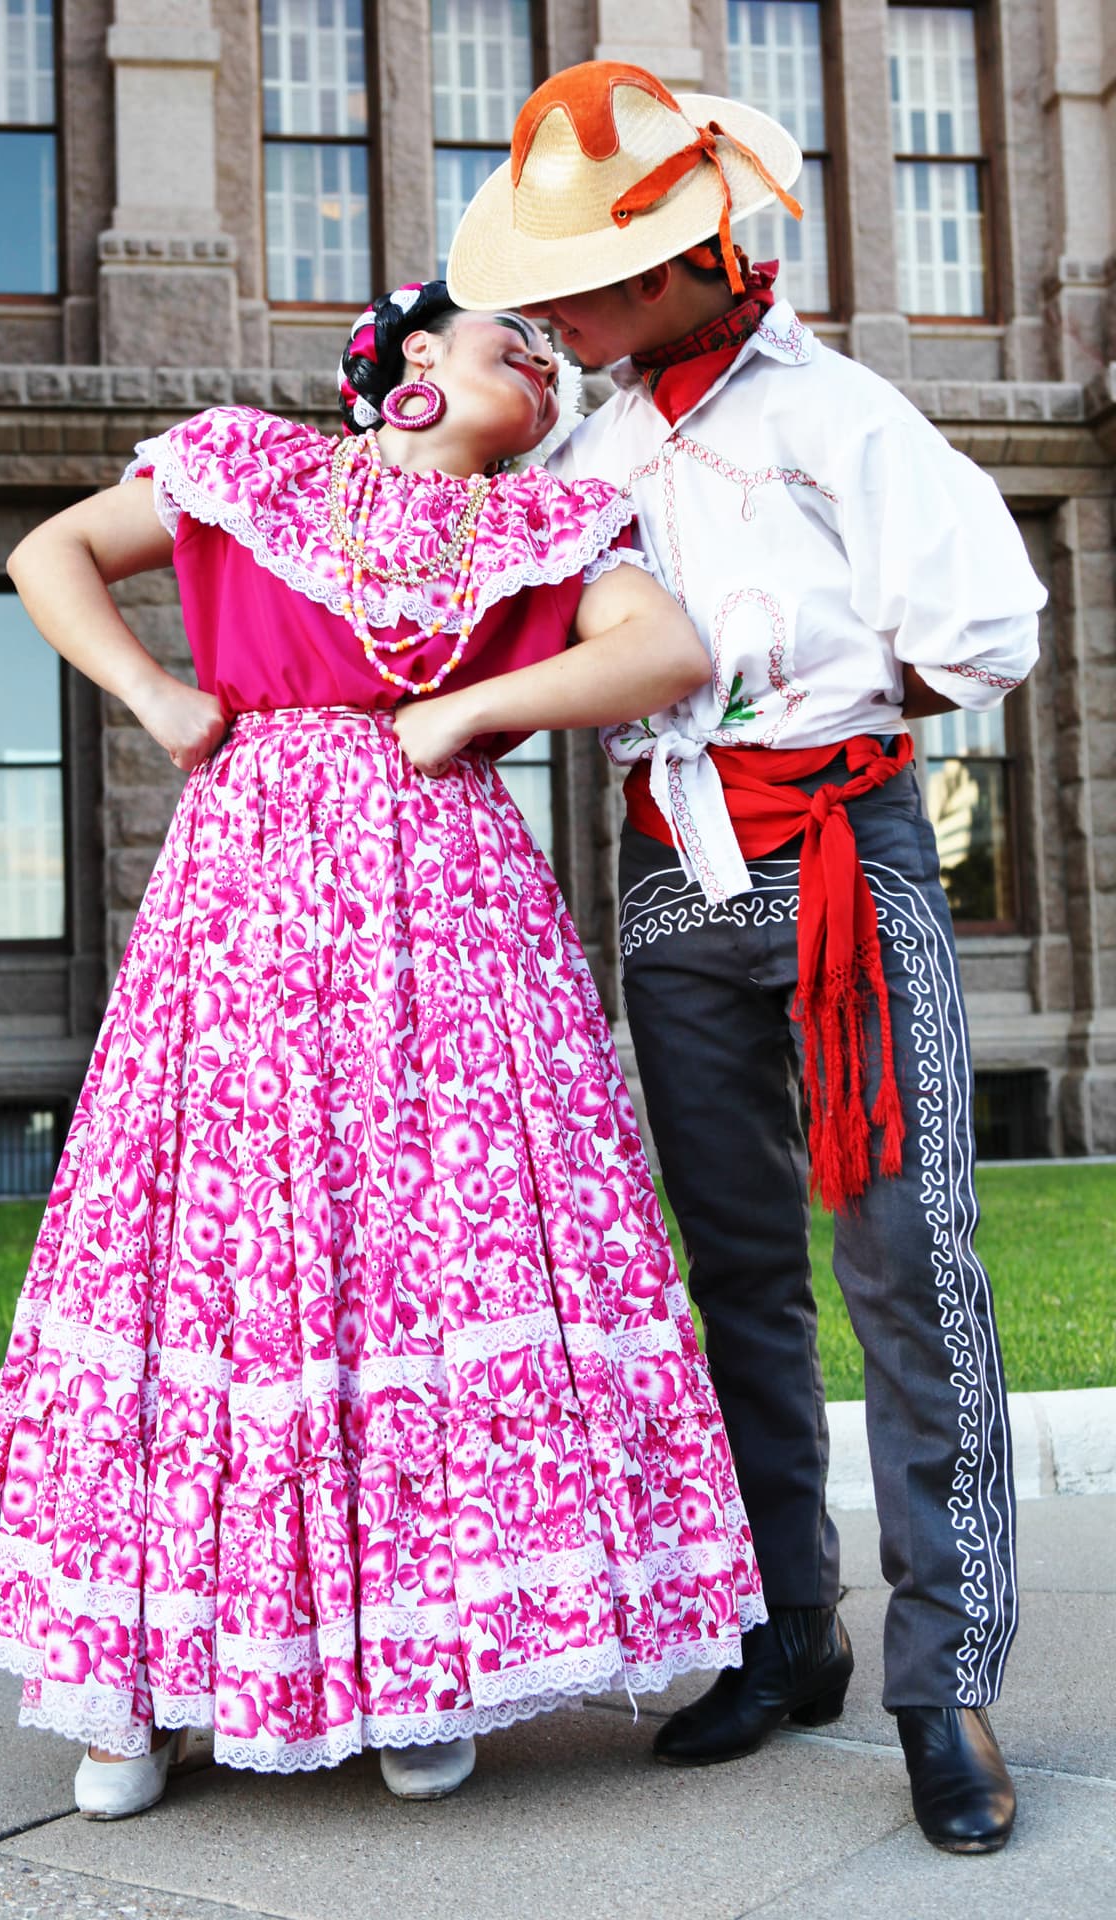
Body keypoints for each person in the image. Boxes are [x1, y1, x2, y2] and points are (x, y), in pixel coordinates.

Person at [0, 280, 766, 1817]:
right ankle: (136, 1687)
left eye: (546, 356)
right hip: (245, 887)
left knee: (428, 1246)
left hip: (444, 906)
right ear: (401, 367)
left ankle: (420, 1665)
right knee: (211, 1242)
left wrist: (474, 715)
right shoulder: (247, 465)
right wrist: (155, 690)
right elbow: (48, 552)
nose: (533, 358)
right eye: (499, 340)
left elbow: (665, 648)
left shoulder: (553, 526)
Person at [447, 64, 1046, 1854]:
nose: (564, 303)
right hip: (666, 873)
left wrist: (825, 732)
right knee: (731, 1271)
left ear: (693, 251)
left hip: (847, 860)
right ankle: (789, 1634)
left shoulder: (843, 413)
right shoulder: (589, 439)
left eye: (598, 266)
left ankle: (950, 1682)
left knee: (907, 1263)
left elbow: (989, 630)